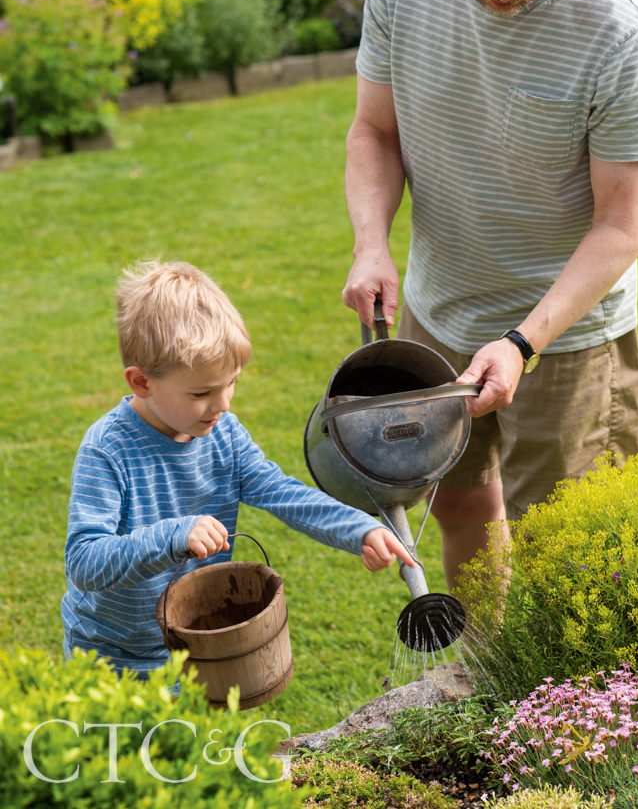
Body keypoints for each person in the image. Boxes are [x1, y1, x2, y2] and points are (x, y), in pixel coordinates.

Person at [342, 0, 638, 592]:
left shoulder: (621, 34)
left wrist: (521, 344)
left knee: (578, 557)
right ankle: (485, 664)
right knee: (461, 508)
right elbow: (373, 132)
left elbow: (624, 221)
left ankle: (580, 680)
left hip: (566, 337)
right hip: (438, 311)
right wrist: (371, 243)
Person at [62, 260, 412, 679]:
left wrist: (359, 529)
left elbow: (281, 492)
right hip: (112, 654)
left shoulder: (223, 433)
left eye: (232, 383)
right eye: (201, 393)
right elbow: (83, 561)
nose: (224, 404)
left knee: (198, 725)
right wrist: (174, 535)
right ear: (141, 382)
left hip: (198, 643)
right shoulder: (107, 450)